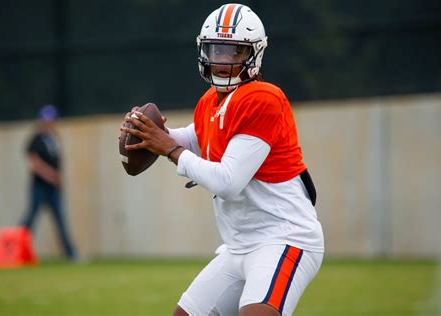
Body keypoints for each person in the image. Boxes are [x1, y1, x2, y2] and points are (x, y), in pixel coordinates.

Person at [121, 4, 324, 316]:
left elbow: (228, 182)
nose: (222, 61)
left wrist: (170, 150)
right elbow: (193, 139)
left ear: (254, 55)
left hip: (283, 239)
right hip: (238, 246)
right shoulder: (210, 103)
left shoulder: (262, 99)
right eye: (216, 49)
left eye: (234, 52)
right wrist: (149, 132)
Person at [21, 104, 77, 261]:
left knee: (60, 220)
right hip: (40, 186)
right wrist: (52, 175)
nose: (50, 123)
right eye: (47, 119)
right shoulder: (36, 139)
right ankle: (16, 250)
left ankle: (71, 254)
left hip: (53, 188)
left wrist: (57, 179)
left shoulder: (53, 139)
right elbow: (34, 163)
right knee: (30, 219)